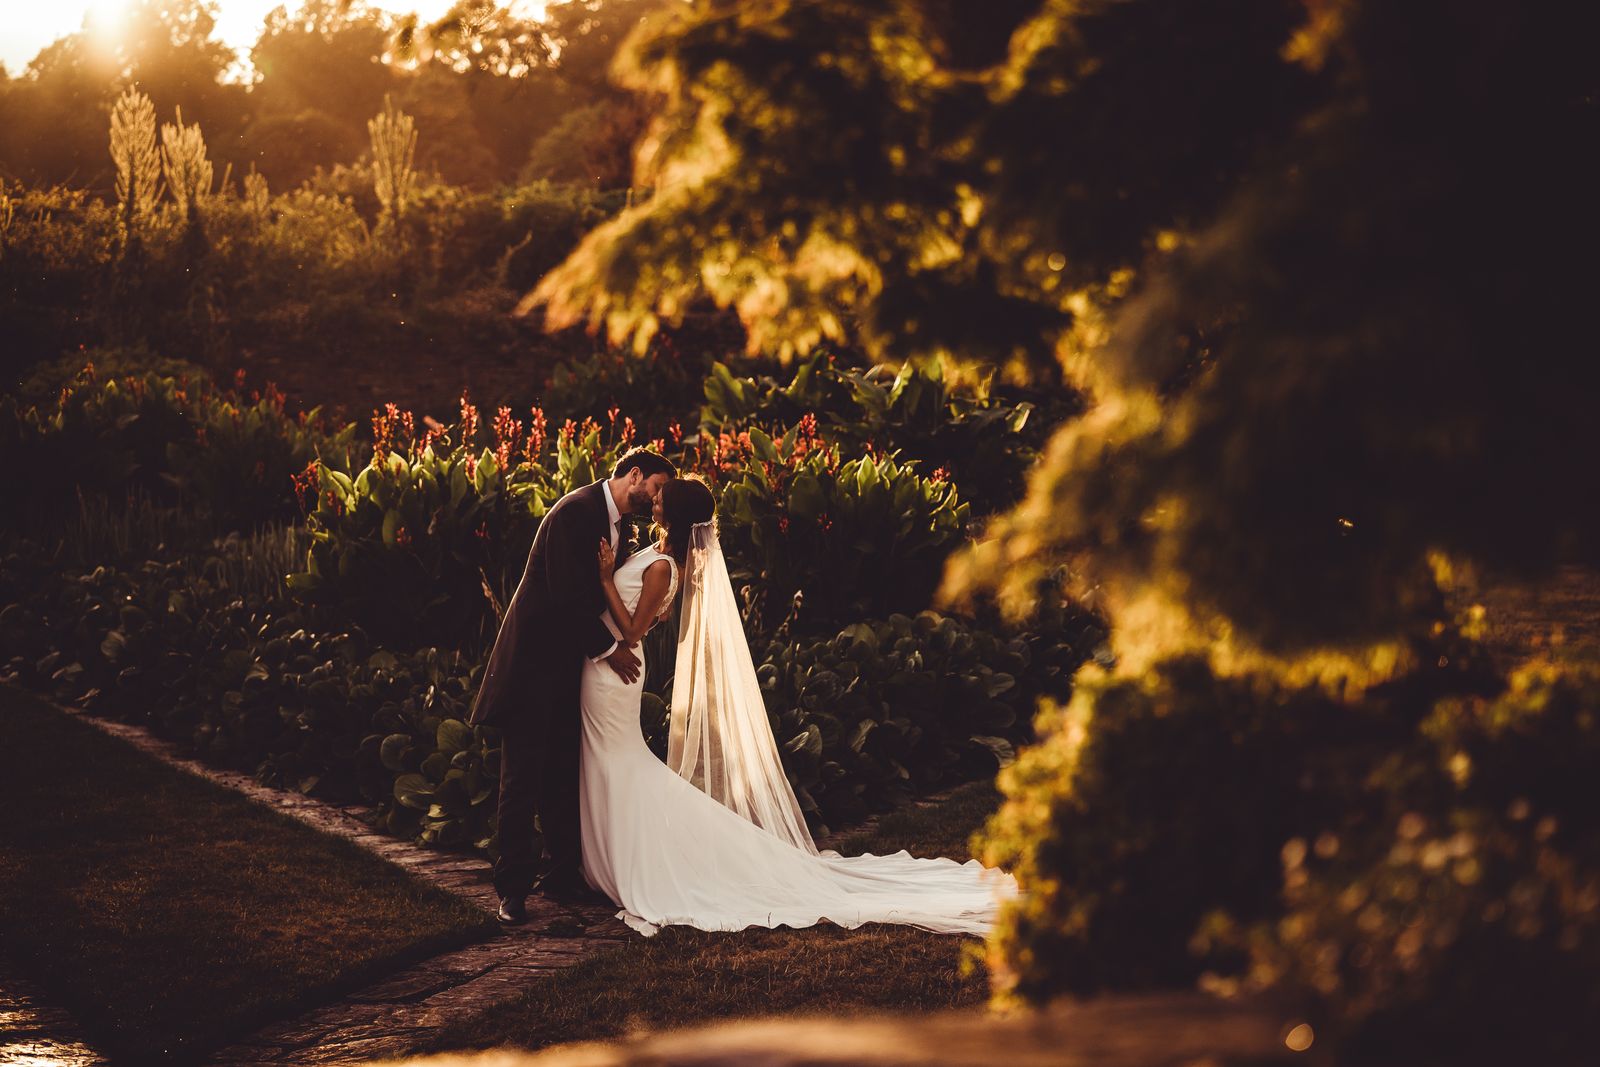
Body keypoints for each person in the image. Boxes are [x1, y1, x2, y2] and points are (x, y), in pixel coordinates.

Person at [578, 475, 1018, 936]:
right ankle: (616, 855)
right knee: (613, 762)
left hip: (616, 670)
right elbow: (655, 614)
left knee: (620, 763)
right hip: (607, 668)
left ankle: (635, 860)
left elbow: (631, 631)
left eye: (665, 493)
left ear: (678, 511)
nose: (657, 493)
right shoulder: (661, 556)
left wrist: (607, 577)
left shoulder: (667, 565)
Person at [469, 448, 677, 923]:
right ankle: (512, 890)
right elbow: (564, 597)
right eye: (658, 486)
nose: (658, 497)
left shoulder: (621, 526)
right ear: (635, 475)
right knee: (520, 781)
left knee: (563, 777)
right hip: (533, 666)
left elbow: (603, 595)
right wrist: (611, 649)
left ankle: (562, 877)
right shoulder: (574, 513)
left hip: (572, 671)